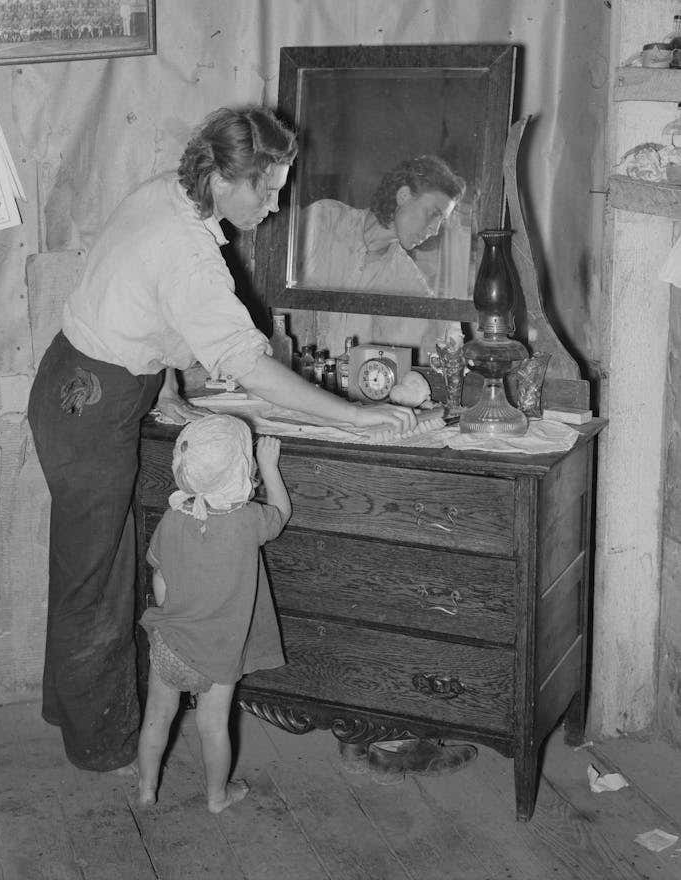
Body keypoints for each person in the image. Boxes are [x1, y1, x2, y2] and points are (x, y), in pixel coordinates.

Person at [27, 105, 415, 773]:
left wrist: (167, 382)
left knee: (94, 566)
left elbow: (141, 296)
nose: (274, 203)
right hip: (90, 404)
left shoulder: (169, 193)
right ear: (222, 179)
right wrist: (353, 417)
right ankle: (98, 746)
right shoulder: (188, 251)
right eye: (265, 189)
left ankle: (74, 713)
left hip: (78, 379)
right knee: (95, 578)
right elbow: (244, 360)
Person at [137, 415, 290, 812]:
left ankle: (147, 788)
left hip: (169, 643)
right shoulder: (249, 521)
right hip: (218, 653)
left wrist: (170, 613)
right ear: (245, 471)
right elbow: (281, 513)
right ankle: (217, 796)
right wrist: (271, 466)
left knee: (157, 716)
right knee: (213, 726)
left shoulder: (172, 518)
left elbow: (160, 575)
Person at [298, 155, 468, 363]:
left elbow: (432, 342)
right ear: (404, 196)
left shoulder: (408, 279)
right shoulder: (325, 219)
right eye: (433, 214)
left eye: (441, 221)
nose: (434, 230)